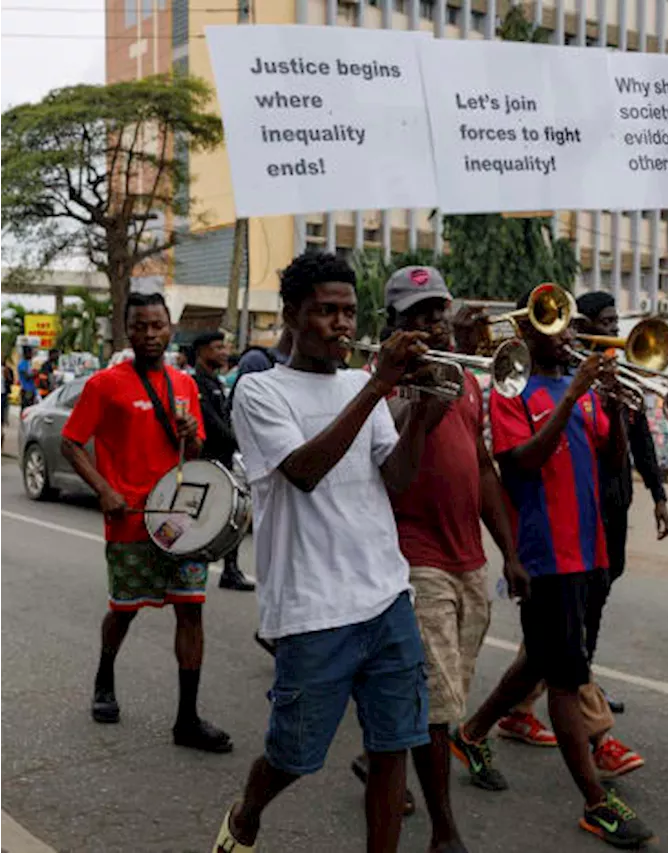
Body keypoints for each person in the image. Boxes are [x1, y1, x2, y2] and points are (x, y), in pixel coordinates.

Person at [214, 252, 437, 853]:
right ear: (292, 316)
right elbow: (306, 470)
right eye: (326, 312)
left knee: (394, 749)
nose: (342, 324)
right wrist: (380, 388)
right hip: (313, 611)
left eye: (349, 311)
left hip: (387, 597)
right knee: (294, 757)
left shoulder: (359, 386)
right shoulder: (259, 391)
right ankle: (249, 809)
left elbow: (397, 479)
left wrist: (420, 416)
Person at [450, 287, 655, 849]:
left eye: (569, 326)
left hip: (590, 551)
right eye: (557, 325)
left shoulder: (578, 385)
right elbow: (523, 462)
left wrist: (611, 407)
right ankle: (595, 802)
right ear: (528, 331)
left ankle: (469, 733)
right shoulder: (510, 391)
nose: (569, 335)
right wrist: (574, 399)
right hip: (545, 553)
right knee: (566, 677)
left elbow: (613, 461)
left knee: (545, 657)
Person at [347, 266, 527, 853]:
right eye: (417, 313)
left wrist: (510, 552)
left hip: (468, 560)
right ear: (394, 323)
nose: (431, 322)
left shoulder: (468, 380)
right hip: (411, 559)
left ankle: (384, 761)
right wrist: (420, 403)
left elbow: (480, 467)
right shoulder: (380, 383)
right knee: (436, 702)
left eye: (437, 311)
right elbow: (389, 474)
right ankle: (444, 829)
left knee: (437, 692)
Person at [60, 291, 231, 753]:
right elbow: (71, 442)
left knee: (191, 609)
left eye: (157, 325)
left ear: (170, 328)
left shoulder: (186, 384)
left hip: (181, 521)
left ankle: (187, 720)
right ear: (128, 330)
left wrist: (192, 437)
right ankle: (104, 677)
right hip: (130, 519)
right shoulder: (105, 385)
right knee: (124, 609)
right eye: (140, 326)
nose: (150, 334)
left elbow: (191, 455)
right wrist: (104, 489)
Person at [568, 291, 668, 713]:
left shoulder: (622, 374)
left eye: (615, 323)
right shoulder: (574, 373)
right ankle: (581, 686)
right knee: (585, 599)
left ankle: (576, 677)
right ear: (586, 326)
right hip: (584, 506)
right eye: (606, 323)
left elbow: (642, 439)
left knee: (601, 592)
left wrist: (659, 495)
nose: (614, 331)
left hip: (616, 503)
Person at [190, 331, 255, 592]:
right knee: (202, 519)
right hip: (207, 464)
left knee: (231, 517)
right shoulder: (197, 384)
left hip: (223, 463)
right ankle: (192, 566)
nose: (224, 352)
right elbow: (213, 426)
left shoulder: (214, 382)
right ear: (202, 351)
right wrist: (242, 443)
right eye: (218, 347)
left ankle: (230, 569)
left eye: (225, 347)